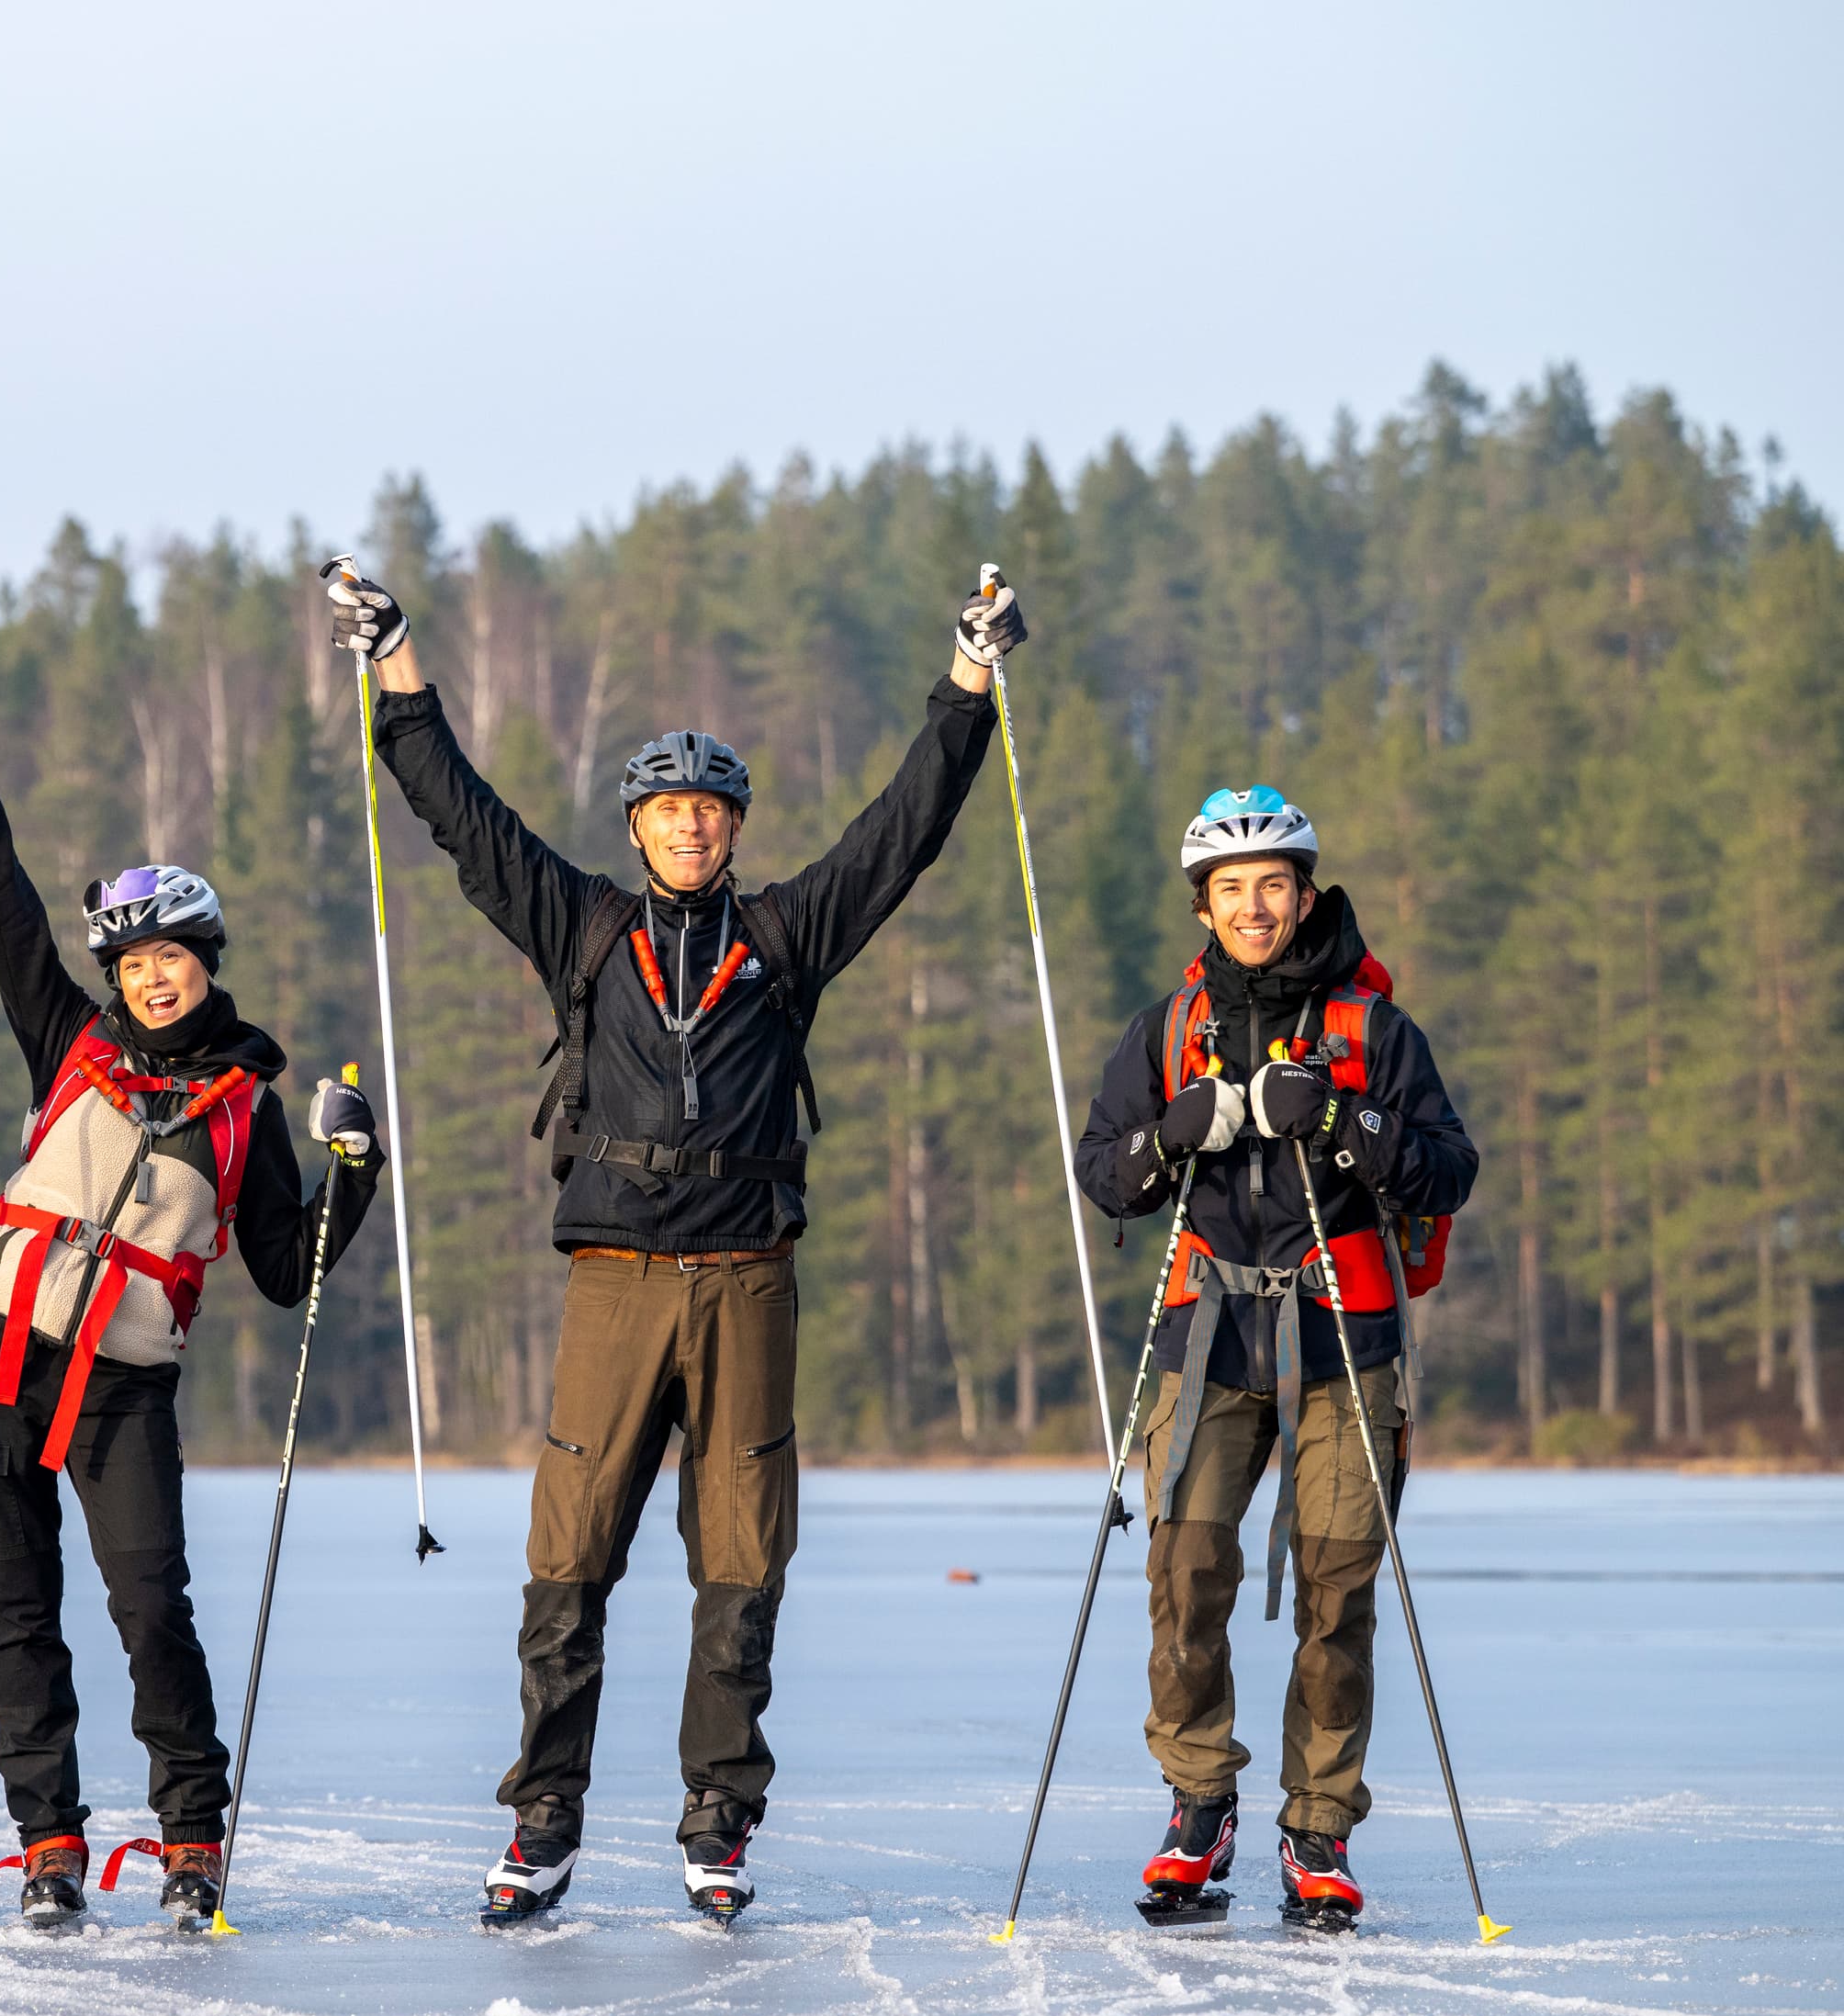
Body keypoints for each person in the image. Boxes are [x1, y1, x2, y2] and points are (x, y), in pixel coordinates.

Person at [325, 559, 1022, 1922]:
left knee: (742, 1558)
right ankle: (543, 1819)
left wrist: (972, 674)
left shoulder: (785, 935)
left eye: (710, 808)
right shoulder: (584, 928)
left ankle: (719, 1817)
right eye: (667, 808)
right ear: (637, 825)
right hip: (617, 1280)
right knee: (570, 1553)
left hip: (749, 1277)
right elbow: (462, 816)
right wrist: (395, 657)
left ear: (734, 825)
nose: (689, 825)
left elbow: (906, 828)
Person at [0, 667, 384, 1930]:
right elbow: (3, 913)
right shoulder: (70, 1039)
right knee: (21, 1613)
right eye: (133, 963)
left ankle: (190, 1841)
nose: (152, 980)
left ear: (204, 962)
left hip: (124, 1383)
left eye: (171, 957)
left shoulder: (247, 1111)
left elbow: (286, 1271)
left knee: (150, 1611)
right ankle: (50, 1844)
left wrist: (354, 1169)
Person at [1071, 787, 1478, 1929]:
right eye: (1231, 889)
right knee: (1183, 1573)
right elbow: (1103, 1172)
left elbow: (1450, 1168)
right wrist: (1171, 1133)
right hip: (1207, 1339)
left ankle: (1319, 1828)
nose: (1254, 907)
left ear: (1305, 894)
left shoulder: (1374, 1030)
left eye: (1274, 885)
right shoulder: (1166, 1029)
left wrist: (1349, 1123)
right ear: (1204, 905)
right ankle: (1199, 1804)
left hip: (1346, 1337)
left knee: (1336, 1592)